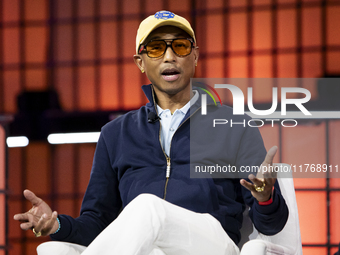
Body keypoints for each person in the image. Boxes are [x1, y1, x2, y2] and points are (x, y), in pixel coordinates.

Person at [14, 11, 288, 255]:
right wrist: (57, 224)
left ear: (195, 57)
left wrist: (265, 198)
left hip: (211, 243)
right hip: (147, 245)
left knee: (147, 207)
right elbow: (97, 221)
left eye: (180, 46)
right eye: (156, 48)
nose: (169, 56)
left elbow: (272, 223)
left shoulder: (233, 124)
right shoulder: (115, 134)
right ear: (140, 62)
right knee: (54, 247)